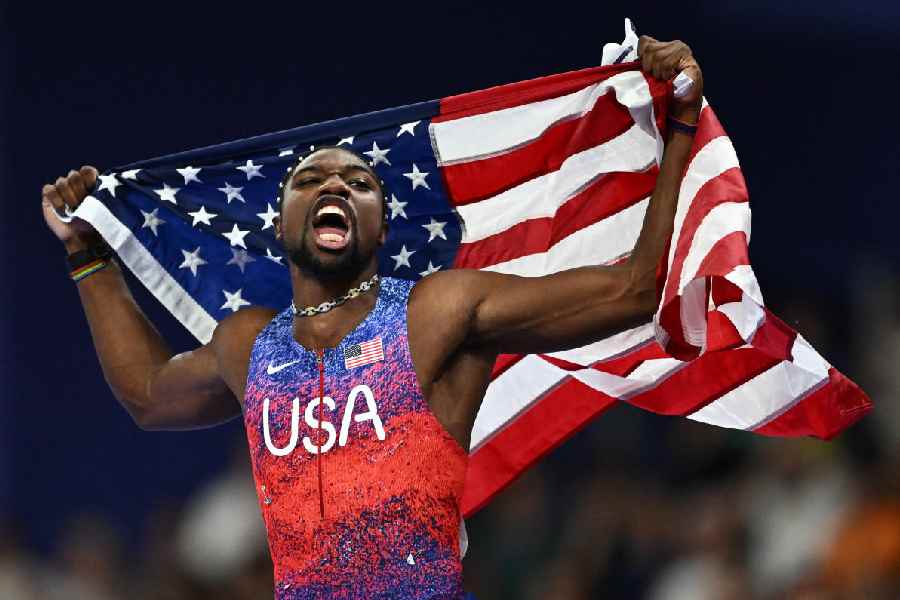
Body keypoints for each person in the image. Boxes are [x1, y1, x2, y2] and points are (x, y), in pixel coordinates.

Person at [41, 36, 703, 600]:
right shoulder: (249, 343)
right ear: (281, 227)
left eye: (358, 184)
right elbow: (149, 396)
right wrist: (87, 254)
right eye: (310, 181)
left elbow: (629, 294)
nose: (333, 184)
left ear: (381, 228)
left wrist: (678, 128)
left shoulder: (435, 313)